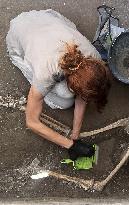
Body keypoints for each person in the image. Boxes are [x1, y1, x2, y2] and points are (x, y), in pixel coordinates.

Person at [6, 9, 111, 160]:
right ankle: (22, 61)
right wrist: (70, 145)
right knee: (65, 99)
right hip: (18, 33)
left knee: (71, 94)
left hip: (44, 18)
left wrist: (75, 135)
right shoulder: (46, 72)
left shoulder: (94, 57)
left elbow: (83, 96)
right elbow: (32, 122)